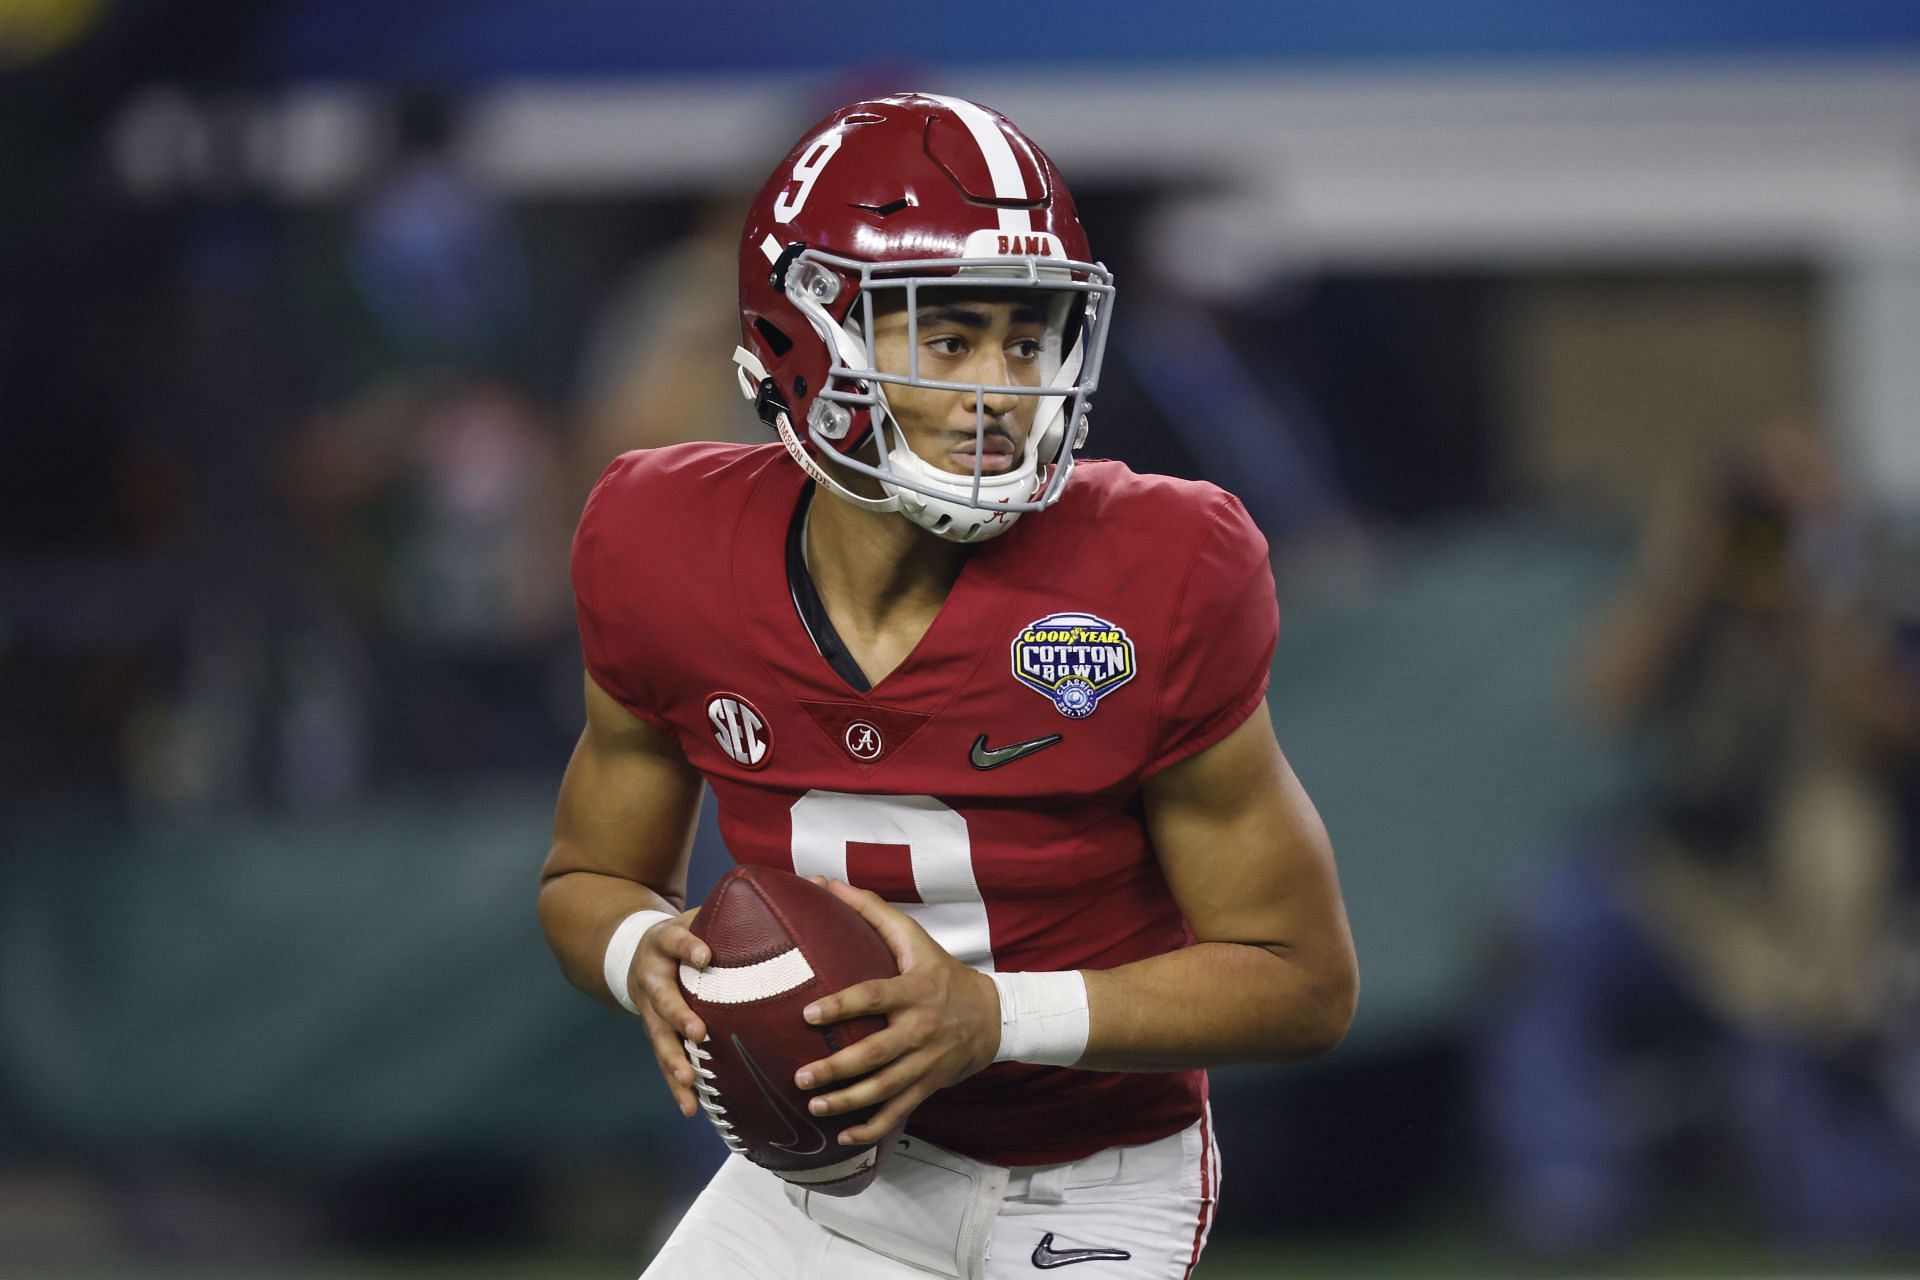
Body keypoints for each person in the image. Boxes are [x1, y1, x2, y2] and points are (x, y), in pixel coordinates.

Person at [538, 93, 1359, 1280]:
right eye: (949, 336)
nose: (1000, 392)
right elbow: (587, 876)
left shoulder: (1160, 566)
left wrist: (993, 1015)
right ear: (806, 336)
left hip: (1092, 1173)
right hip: (816, 1188)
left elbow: (1302, 981)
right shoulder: (660, 540)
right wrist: (641, 953)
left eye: (1029, 341)